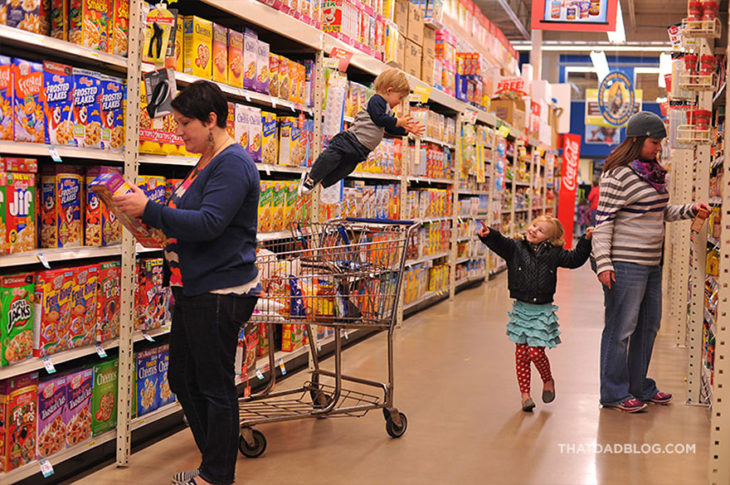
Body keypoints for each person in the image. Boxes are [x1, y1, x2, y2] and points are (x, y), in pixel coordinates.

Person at [113, 80, 260, 485]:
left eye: (184, 124)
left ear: (211, 120)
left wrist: (152, 209)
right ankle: (214, 459)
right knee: (183, 378)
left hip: (218, 291)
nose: (178, 133)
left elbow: (210, 223)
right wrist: (144, 217)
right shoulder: (207, 160)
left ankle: (215, 475)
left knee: (214, 385)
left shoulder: (232, 163)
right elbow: (188, 215)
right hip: (194, 287)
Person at [592, 111, 711, 413]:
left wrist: (689, 209)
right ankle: (613, 393)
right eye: (654, 142)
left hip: (651, 264)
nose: (659, 147)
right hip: (625, 264)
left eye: (660, 143)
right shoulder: (617, 174)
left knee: (648, 326)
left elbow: (658, 211)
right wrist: (604, 263)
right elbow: (603, 222)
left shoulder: (654, 172)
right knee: (621, 328)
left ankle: (638, 385)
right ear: (636, 140)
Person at [478, 216, 593, 412]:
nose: (533, 230)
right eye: (534, 226)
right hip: (521, 309)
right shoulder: (515, 247)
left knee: (535, 352)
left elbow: (574, 259)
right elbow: (500, 243)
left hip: (541, 310)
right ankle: (525, 396)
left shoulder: (553, 253)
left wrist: (586, 240)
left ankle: (547, 379)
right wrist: (490, 235)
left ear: (549, 239)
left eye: (540, 231)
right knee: (521, 354)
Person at [298, 68, 424, 194]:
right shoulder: (377, 101)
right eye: (400, 98)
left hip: (361, 150)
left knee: (345, 169)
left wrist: (406, 130)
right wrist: (397, 121)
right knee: (332, 157)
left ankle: (322, 182)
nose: (399, 102)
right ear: (389, 91)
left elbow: (388, 127)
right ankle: (311, 178)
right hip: (351, 140)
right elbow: (379, 119)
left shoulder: (388, 110)